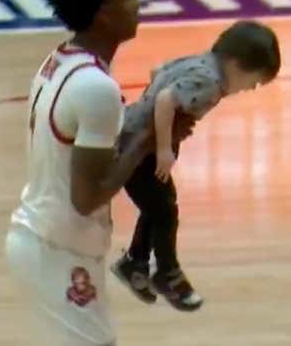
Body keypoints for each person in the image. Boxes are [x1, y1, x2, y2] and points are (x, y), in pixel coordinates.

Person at [4, 0, 194, 345]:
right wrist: (144, 141)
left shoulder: (61, 59)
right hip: (56, 249)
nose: (136, 2)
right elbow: (87, 197)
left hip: (49, 241)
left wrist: (152, 134)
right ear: (104, 11)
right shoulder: (96, 87)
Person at [111, 20, 281, 311]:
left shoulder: (200, 61)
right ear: (236, 64)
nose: (250, 88)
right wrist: (164, 146)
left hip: (133, 134)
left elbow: (158, 73)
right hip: (137, 148)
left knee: (158, 206)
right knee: (164, 210)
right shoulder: (211, 83)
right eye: (253, 81)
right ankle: (166, 271)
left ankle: (135, 263)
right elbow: (165, 100)